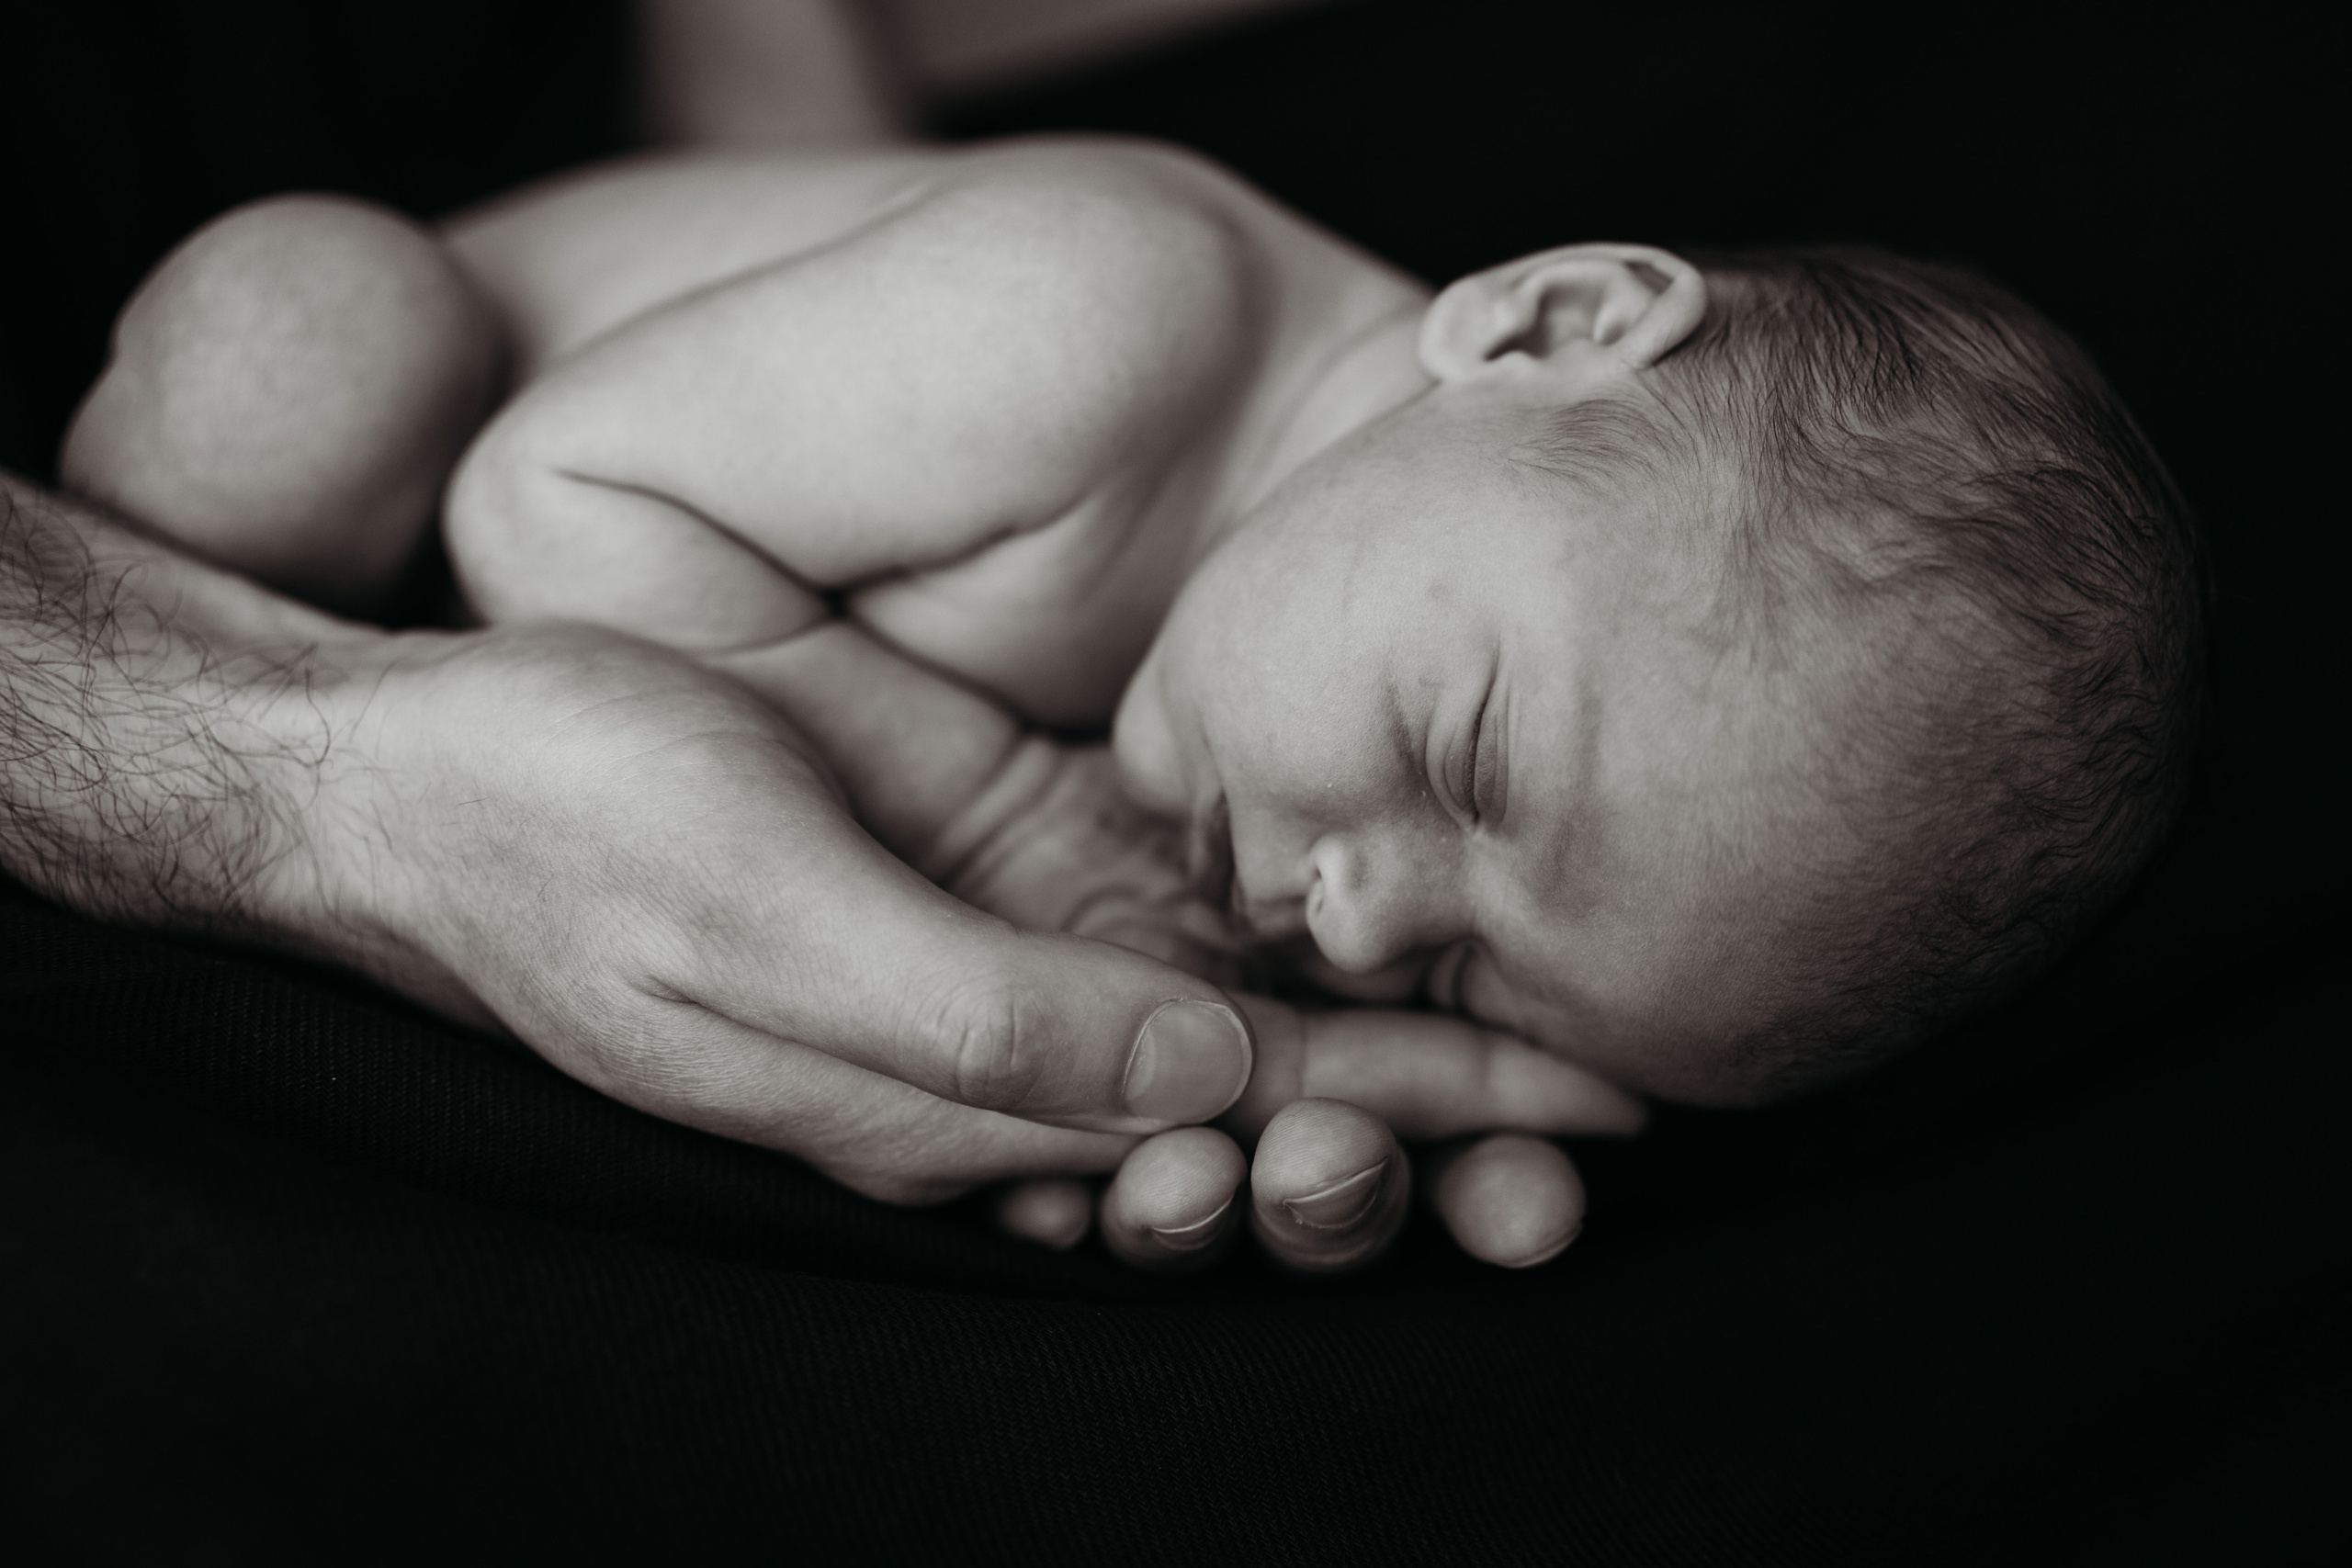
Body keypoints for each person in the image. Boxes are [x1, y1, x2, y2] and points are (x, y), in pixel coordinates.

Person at [50, 125, 2202, 1269]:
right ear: (1542, 325)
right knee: (304, 333)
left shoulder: (1294, 643)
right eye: (1464, 756)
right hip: (439, 429)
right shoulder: (1108, 315)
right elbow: (558, 492)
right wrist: (980, 797)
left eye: (1467, 983)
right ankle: (127, 553)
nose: (1348, 927)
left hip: (455, 704)